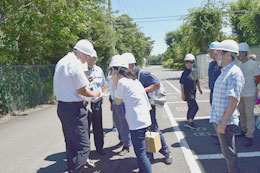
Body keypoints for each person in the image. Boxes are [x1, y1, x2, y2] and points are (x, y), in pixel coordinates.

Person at [53, 39, 101, 173]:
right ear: (81, 54)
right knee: (84, 147)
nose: (86, 60)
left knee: (71, 143)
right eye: (86, 57)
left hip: (63, 106)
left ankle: (71, 168)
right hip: (75, 109)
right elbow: (82, 91)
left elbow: (69, 83)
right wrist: (96, 93)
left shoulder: (62, 61)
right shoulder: (75, 65)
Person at [122, 52, 173, 165]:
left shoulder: (142, 73)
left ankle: (167, 152)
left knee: (154, 130)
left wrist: (141, 91)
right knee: (145, 133)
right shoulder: (128, 75)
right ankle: (149, 156)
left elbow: (156, 84)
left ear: (130, 65)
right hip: (137, 109)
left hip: (148, 107)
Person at [111, 56, 152, 173]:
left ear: (116, 70)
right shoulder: (135, 80)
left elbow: (117, 101)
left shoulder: (122, 83)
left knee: (141, 154)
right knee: (143, 151)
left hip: (137, 123)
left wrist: (115, 84)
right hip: (144, 120)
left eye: (112, 70)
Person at [210, 39, 245, 173]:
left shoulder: (234, 73)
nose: (216, 55)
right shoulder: (224, 71)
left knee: (230, 155)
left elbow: (234, 100)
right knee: (227, 154)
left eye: (219, 52)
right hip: (220, 120)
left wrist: (223, 123)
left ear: (228, 55)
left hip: (225, 122)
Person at [108, 55, 132, 156]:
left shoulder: (123, 79)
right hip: (114, 102)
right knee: (117, 123)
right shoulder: (111, 76)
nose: (112, 70)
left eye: (114, 68)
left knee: (124, 125)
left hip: (121, 103)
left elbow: (120, 92)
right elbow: (112, 91)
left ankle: (127, 145)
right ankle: (122, 139)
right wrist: (111, 102)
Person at [237, 43, 260, 147]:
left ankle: (249, 135)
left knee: (249, 115)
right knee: (241, 113)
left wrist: (253, 87)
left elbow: (257, 78)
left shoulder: (253, 64)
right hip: (240, 93)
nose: (237, 55)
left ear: (243, 53)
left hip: (250, 93)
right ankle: (244, 130)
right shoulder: (239, 65)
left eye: (239, 53)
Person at [85, 49, 106, 155]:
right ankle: (86, 151)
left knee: (98, 125)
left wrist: (102, 95)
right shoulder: (80, 70)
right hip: (85, 102)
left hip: (96, 100)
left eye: (94, 59)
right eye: (90, 58)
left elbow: (102, 84)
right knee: (85, 127)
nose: (92, 61)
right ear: (86, 58)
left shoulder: (99, 70)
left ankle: (99, 147)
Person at [180, 53, 202, 130]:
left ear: (193, 62)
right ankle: (190, 122)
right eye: (187, 62)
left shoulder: (195, 71)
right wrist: (182, 94)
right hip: (188, 93)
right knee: (195, 108)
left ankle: (188, 120)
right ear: (185, 63)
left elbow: (197, 80)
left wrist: (199, 88)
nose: (189, 64)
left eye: (191, 62)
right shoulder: (184, 73)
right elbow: (182, 84)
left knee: (190, 107)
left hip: (193, 92)